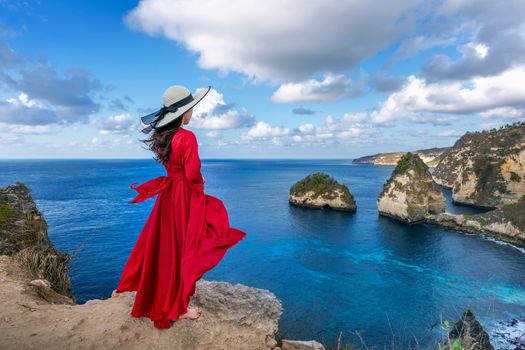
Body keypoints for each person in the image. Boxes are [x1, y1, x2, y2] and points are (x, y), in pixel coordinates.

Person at [114, 85, 247, 329]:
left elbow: (175, 169)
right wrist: (199, 184)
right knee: (194, 241)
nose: (193, 111)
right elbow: (193, 173)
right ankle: (178, 307)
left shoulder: (162, 138)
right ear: (183, 113)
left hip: (168, 199)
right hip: (185, 197)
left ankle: (165, 298)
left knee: (169, 250)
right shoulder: (187, 137)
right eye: (190, 108)